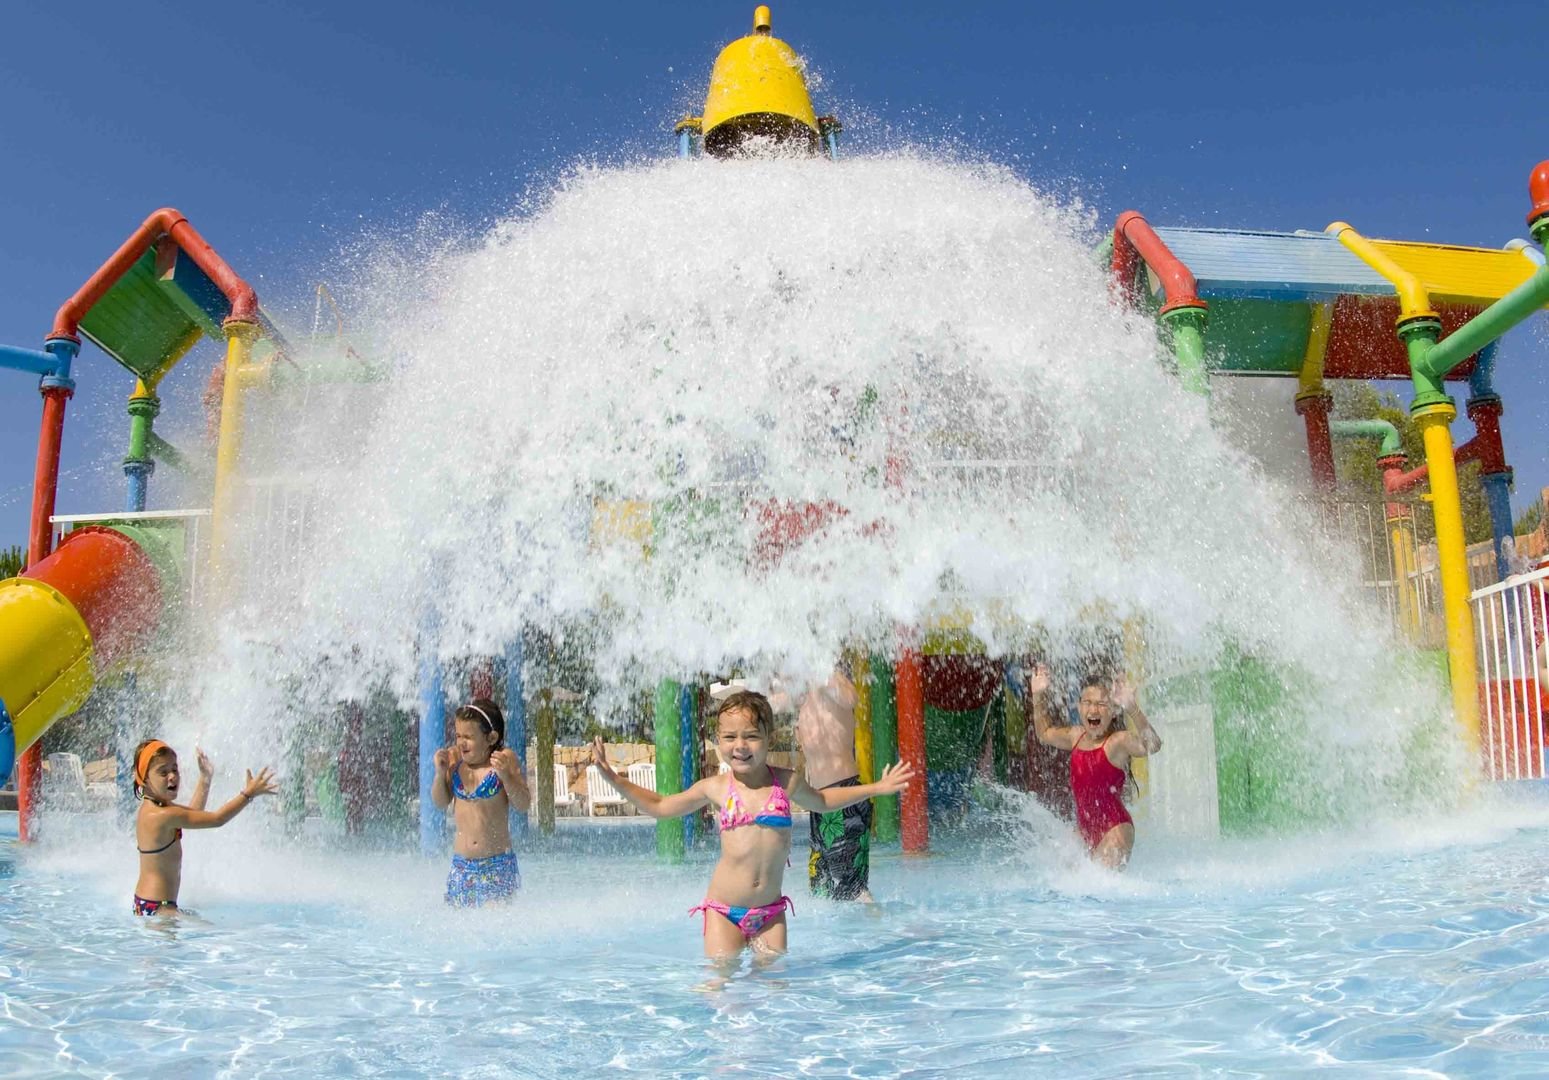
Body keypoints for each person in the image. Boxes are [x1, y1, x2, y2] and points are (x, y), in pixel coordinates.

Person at [588, 689, 914, 959]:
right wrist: (612, 777)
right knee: (721, 989)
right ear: (718, 741)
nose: (740, 745)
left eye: (751, 736)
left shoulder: (786, 783)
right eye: (729, 737)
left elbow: (824, 801)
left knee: (773, 992)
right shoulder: (715, 788)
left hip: (770, 915)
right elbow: (660, 806)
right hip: (724, 912)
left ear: (769, 738)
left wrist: (876, 788)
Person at [1026, 665, 1161, 869]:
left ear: (1113, 711)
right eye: (1087, 703)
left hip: (1115, 829)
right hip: (1084, 831)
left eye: (1101, 704)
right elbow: (1043, 733)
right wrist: (1038, 696)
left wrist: (1132, 707)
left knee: (1100, 890)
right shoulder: (1075, 736)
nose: (1093, 709)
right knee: (1065, 887)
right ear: (1079, 707)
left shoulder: (1117, 742)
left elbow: (1153, 745)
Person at [131, 739, 278, 916]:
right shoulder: (161, 815)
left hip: (148, 904)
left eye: (174, 769)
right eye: (163, 772)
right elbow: (217, 819)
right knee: (215, 938)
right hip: (159, 909)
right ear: (144, 779)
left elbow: (193, 813)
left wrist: (205, 778)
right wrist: (248, 794)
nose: (172, 776)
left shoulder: (155, 810)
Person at [771, 663, 873, 902]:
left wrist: (819, 667)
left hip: (844, 797)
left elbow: (850, 698)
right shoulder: (804, 694)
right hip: (819, 803)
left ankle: (879, 928)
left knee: (853, 889)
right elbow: (772, 704)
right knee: (821, 890)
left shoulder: (827, 680)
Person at [431, 697, 532, 907]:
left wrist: (506, 776)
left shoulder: (503, 759)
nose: (461, 742)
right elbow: (440, 802)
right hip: (461, 867)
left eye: (468, 736)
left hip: (496, 865)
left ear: (491, 737)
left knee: (495, 930)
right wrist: (440, 774)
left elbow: (523, 804)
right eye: (458, 735)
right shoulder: (455, 761)